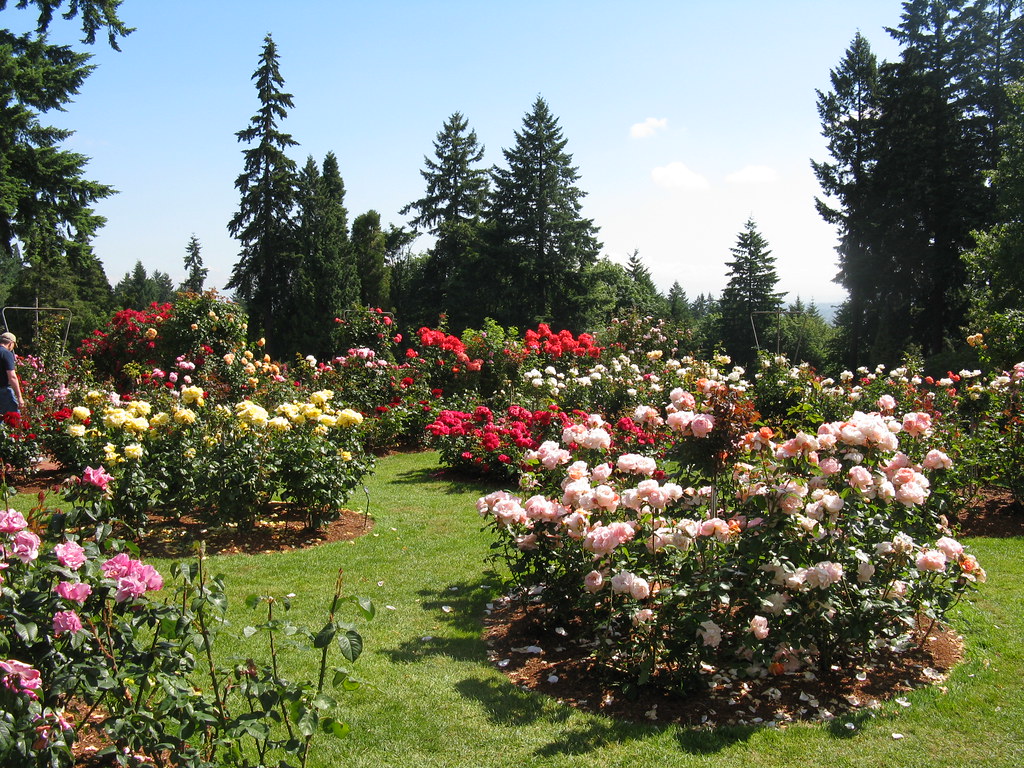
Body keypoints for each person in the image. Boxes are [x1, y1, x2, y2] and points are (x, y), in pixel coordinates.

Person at [0, 332, 24, 415]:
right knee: (14, 419)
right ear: (10, 343)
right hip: (3, 391)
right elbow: (12, 376)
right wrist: (19, 397)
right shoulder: (6, 353)